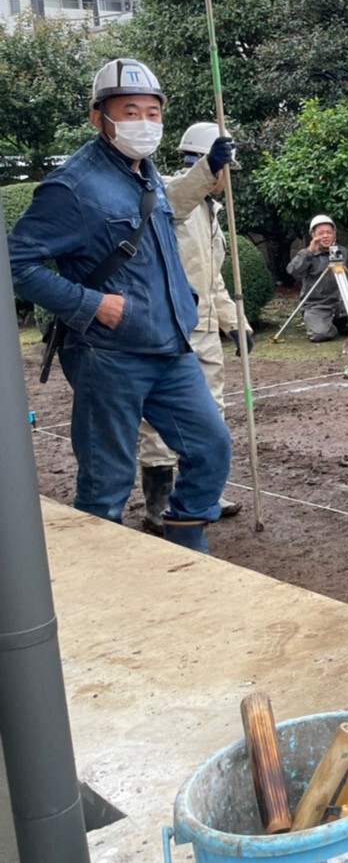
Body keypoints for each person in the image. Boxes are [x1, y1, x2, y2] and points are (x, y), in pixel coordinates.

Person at [8, 59, 234, 553]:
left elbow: (167, 225)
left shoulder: (146, 175)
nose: (144, 123)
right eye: (130, 111)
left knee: (211, 447)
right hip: (107, 354)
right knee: (106, 480)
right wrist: (91, 304)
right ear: (99, 117)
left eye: (153, 113)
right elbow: (16, 262)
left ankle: (186, 545)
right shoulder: (72, 186)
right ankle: (102, 574)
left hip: (171, 347)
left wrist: (186, 303)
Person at [136, 122, 251, 533]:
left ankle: (202, 491)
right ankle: (159, 503)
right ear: (208, 164)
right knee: (162, 421)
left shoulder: (210, 211)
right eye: (225, 171)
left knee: (210, 413)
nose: (227, 180)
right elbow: (176, 198)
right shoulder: (167, 192)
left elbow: (212, 277)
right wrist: (208, 168)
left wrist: (235, 323)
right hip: (169, 327)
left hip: (204, 327)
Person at [285, 215, 348, 342]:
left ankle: (341, 322)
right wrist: (309, 252)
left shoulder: (343, 253)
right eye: (321, 233)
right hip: (316, 305)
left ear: (334, 234)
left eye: (329, 232)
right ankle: (326, 325)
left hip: (341, 303)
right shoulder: (307, 254)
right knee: (320, 335)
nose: (325, 236)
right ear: (313, 235)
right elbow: (293, 271)